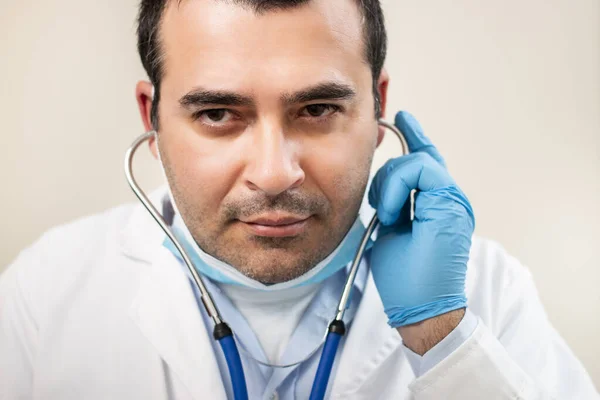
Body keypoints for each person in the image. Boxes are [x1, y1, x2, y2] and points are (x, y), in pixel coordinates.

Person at [0, 0, 598, 398]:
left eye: (316, 110)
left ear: (376, 106)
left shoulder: (484, 294)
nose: (274, 173)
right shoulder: (47, 293)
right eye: (216, 113)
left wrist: (442, 340)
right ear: (151, 119)